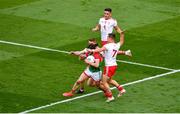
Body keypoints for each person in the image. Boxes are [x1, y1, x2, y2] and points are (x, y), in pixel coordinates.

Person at [88, 33, 126, 102]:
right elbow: (121, 41)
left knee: (104, 82)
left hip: (109, 66)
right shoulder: (117, 45)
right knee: (109, 80)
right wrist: (122, 34)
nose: (106, 39)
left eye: (107, 37)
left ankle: (110, 96)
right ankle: (121, 89)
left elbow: (100, 50)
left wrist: (91, 50)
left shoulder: (107, 45)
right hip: (114, 65)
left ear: (110, 38)